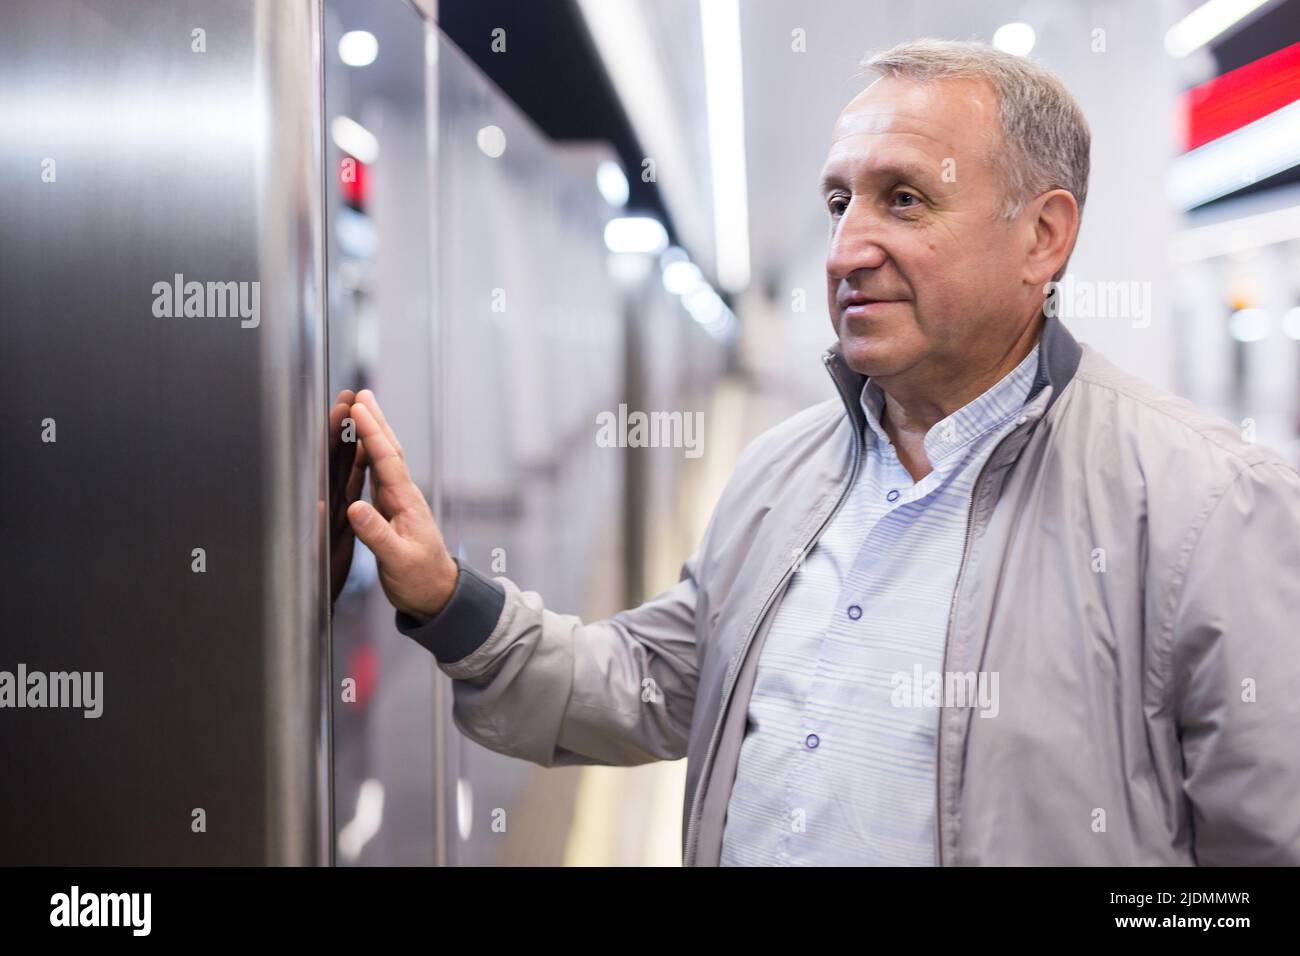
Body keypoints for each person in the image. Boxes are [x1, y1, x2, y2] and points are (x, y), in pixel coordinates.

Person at [341, 39, 1300, 866]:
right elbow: (654, 686)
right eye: (841, 201)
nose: (847, 248)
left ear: (1043, 237)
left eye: (906, 201)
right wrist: (446, 597)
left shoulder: (1208, 509)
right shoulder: (783, 472)